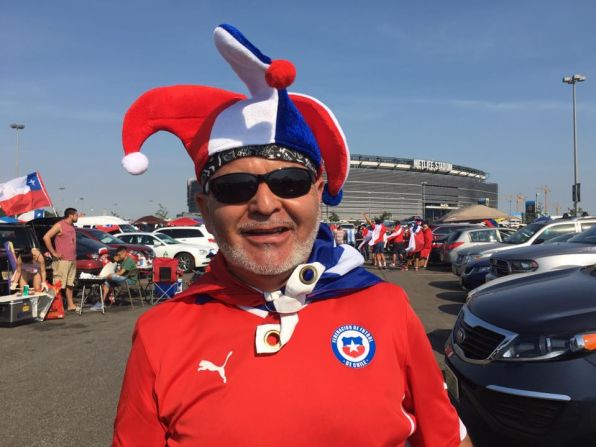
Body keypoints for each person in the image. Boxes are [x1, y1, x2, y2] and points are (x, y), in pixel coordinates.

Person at [113, 24, 471, 446]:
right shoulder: (161, 332)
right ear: (207, 211)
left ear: (317, 193)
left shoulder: (386, 306)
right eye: (234, 188)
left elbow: (447, 438)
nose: (265, 205)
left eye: (288, 182)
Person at [43, 208, 78, 311]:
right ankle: (52, 306)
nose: (77, 217)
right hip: (62, 261)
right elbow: (46, 237)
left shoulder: (71, 226)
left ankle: (71, 305)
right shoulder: (60, 225)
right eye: (76, 215)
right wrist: (54, 253)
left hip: (72, 260)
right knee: (58, 284)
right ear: (71, 215)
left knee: (69, 284)